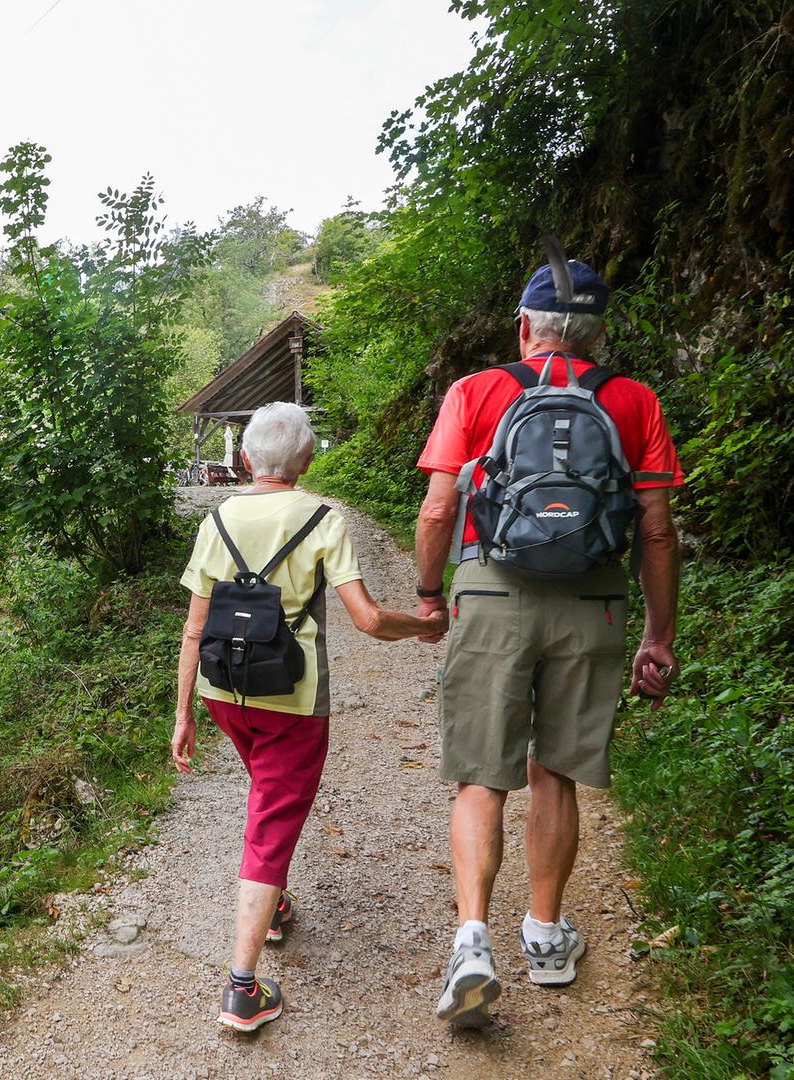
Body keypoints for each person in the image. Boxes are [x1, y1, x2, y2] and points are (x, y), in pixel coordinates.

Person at [412, 257, 682, 1027]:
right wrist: (659, 635)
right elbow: (658, 531)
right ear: (599, 335)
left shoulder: (476, 391)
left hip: (491, 592)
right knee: (555, 768)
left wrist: (432, 595)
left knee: (480, 773)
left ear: (525, 327)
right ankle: (545, 936)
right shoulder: (633, 400)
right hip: (592, 602)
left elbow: (437, 510)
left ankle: (471, 940)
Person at [174, 401, 447, 1032]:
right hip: (293, 701)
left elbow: (193, 629)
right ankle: (242, 988)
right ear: (308, 460)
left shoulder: (217, 517)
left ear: (244, 459)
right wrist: (426, 625)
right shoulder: (325, 518)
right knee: (270, 825)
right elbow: (370, 619)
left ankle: (269, 909)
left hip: (224, 693)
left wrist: (183, 714)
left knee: (267, 800)